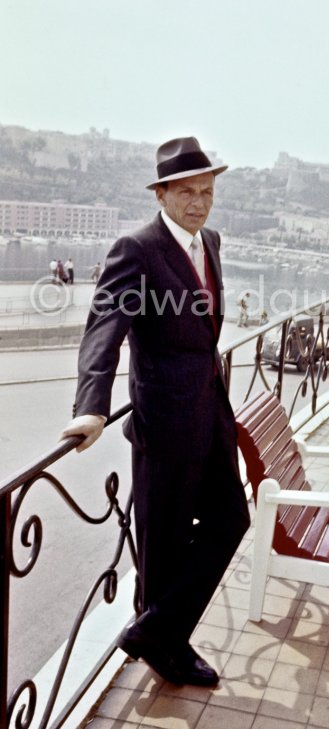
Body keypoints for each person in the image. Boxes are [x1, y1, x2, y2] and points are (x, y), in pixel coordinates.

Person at [59, 137, 250, 687]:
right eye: (187, 191)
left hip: (211, 412)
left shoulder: (208, 241)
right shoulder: (137, 249)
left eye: (207, 191)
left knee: (231, 519)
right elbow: (104, 330)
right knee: (162, 548)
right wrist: (92, 407)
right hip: (164, 423)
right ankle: (167, 644)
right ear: (161, 193)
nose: (199, 202)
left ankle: (153, 631)